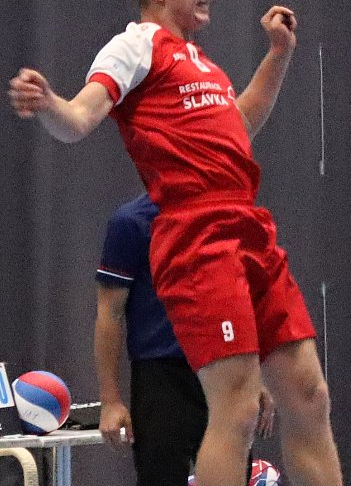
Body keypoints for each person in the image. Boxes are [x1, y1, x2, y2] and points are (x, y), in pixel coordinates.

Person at [9, 0, 343, 486]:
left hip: (249, 227)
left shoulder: (205, 67)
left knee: (310, 395)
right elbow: (78, 120)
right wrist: (50, 104)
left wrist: (279, 55)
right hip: (196, 234)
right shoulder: (135, 46)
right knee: (236, 409)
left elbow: (239, 128)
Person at [95, 192, 274, 485]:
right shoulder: (132, 222)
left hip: (222, 370)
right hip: (161, 378)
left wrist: (254, 374)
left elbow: (241, 299)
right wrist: (110, 400)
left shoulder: (226, 215)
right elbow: (109, 313)